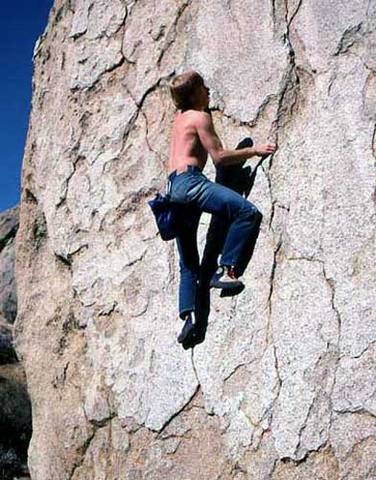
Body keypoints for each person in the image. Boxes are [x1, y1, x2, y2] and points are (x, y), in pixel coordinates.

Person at [167, 70, 277, 345]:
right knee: (246, 212)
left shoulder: (179, 120)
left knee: (189, 265)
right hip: (191, 183)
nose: (209, 91)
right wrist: (254, 151)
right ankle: (226, 270)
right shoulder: (199, 117)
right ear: (194, 94)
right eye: (203, 87)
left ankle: (189, 321)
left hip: (172, 191)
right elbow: (220, 157)